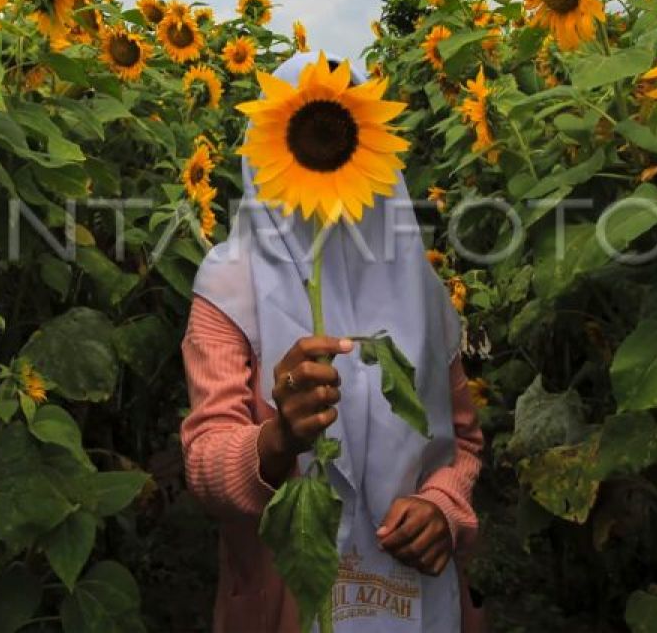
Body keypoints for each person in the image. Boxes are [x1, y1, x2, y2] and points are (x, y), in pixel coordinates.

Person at [180, 51, 485, 632]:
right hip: (288, 603)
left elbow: (463, 444)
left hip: (417, 596)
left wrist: (442, 508)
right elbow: (204, 466)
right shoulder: (230, 287)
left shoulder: (418, 288)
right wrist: (279, 439)